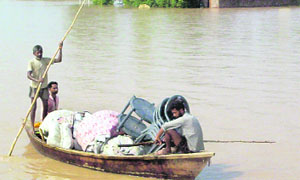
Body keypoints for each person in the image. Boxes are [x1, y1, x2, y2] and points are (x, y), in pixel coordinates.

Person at [27, 42, 63, 129]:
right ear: (34, 53)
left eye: (41, 52)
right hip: (34, 87)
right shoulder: (31, 62)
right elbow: (28, 75)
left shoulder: (45, 60)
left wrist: (60, 49)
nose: (39, 54)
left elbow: (59, 60)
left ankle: (43, 123)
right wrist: (37, 80)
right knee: (33, 107)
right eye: (38, 52)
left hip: (44, 88)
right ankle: (32, 126)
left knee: (46, 105)